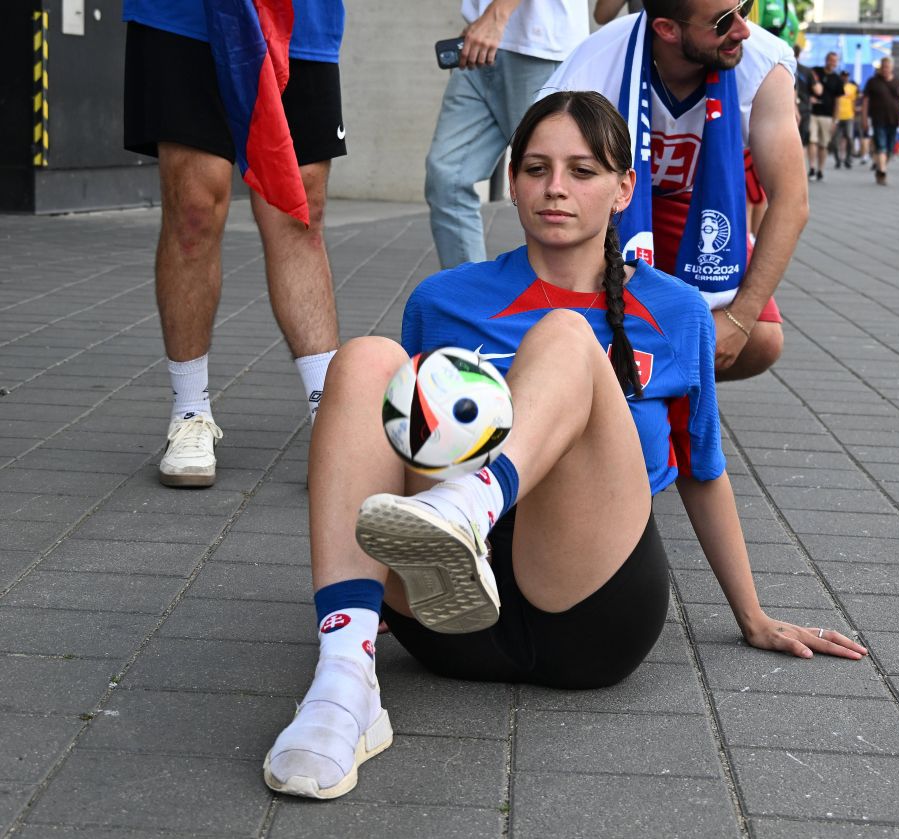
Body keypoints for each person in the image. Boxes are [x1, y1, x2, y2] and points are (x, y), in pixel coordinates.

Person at [262, 90, 867, 800]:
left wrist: (753, 616)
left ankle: (468, 508)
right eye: (537, 169)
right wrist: (374, 583)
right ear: (512, 181)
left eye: (582, 171)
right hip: (449, 629)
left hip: (588, 611)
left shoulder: (677, 311)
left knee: (567, 338)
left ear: (624, 190)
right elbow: (397, 450)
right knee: (365, 359)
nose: (555, 188)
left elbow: (703, 471)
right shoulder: (442, 299)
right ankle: (343, 682)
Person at [122, 0, 346, 488]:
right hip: (185, 17)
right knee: (194, 207)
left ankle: (329, 414)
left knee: (299, 211)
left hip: (301, 19)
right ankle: (189, 412)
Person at [540, 0, 808, 382]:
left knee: (761, 340)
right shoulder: (592, 67)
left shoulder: (763, 63)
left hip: (695, 203)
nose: (743, 29)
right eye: (722, 22)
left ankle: (667, 390)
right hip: (609, 208)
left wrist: (740, 318)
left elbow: (791, 200)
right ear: (666, 29)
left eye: (744, 7)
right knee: (583, 329)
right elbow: (546, 186)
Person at [424, 0, 589, 269]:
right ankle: (470, 291)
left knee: (556, 184)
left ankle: (572, 287)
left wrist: (496, 15)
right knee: (447, 177)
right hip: (479, 43)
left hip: (539, 46)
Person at [861, 57, 899, 186]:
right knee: (881, 146)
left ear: (892, 68)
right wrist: (864, 117)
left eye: (888, 67)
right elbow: (865, 101)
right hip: (878, 119)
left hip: (894, 119)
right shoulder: (872, 82)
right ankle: (883, 171)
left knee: (890, 149)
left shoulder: (897, 82)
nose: (885, 69)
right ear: (881, 68)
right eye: (884, 67)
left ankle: (880, 169)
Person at [809, 51, 845, 181]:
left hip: (828, 115)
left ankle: (820, 170)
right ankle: (812, 168)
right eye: (830, 60)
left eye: (835, 61)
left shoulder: (837, 79)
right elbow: (806, 86)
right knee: (812, 140)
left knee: (823, 144)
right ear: (826, 60)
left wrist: (836, 120)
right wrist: (809, 97)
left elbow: (838, 102)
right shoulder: (815, 71)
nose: (832, 63)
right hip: (813, 112)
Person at [794, 45, 817, 148]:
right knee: (801, 141)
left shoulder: (781, 67)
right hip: (803, 108)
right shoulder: (807, 71)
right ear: (799, 54)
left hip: (786, 108)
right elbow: (817, 90)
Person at [834, 70, 858, 168]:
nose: (845, 77)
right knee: (836, 140)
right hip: (837, 116)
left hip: (849, 116)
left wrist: (854, 114)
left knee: (849, 137)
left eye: (846, 76)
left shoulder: (853, 88)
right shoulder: (836, 86)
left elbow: (854, 101)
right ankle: (838, 160)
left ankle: (848, 159)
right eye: (843, 75)